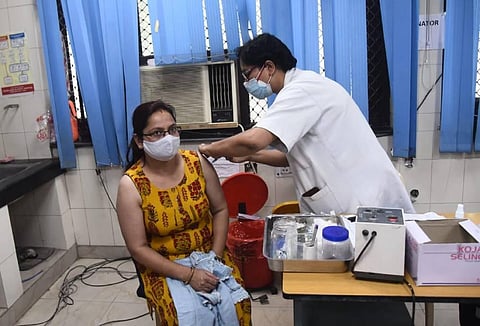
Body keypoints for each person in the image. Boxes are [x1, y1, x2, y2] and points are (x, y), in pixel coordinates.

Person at [199, 33, 414, 215]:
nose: (247, 83)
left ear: (269, 66)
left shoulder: (301, 91)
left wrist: (209, 150)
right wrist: (252, 156)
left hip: (362, 202)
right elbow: (292, 157)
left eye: (248, 74)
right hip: (355, 199)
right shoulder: (301, 88)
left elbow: (255, 140)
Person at [116, 100, 251, 326]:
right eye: (157, 133)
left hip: (210, 253)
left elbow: (220, 209)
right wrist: (188, 275)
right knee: (180, 316)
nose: (167, 138)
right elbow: (137, 248)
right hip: (164, 264)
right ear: (139, 141)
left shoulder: (197, 163)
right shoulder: (131, 185)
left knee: (237, 304)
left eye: (172, 130)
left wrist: (214, 257)